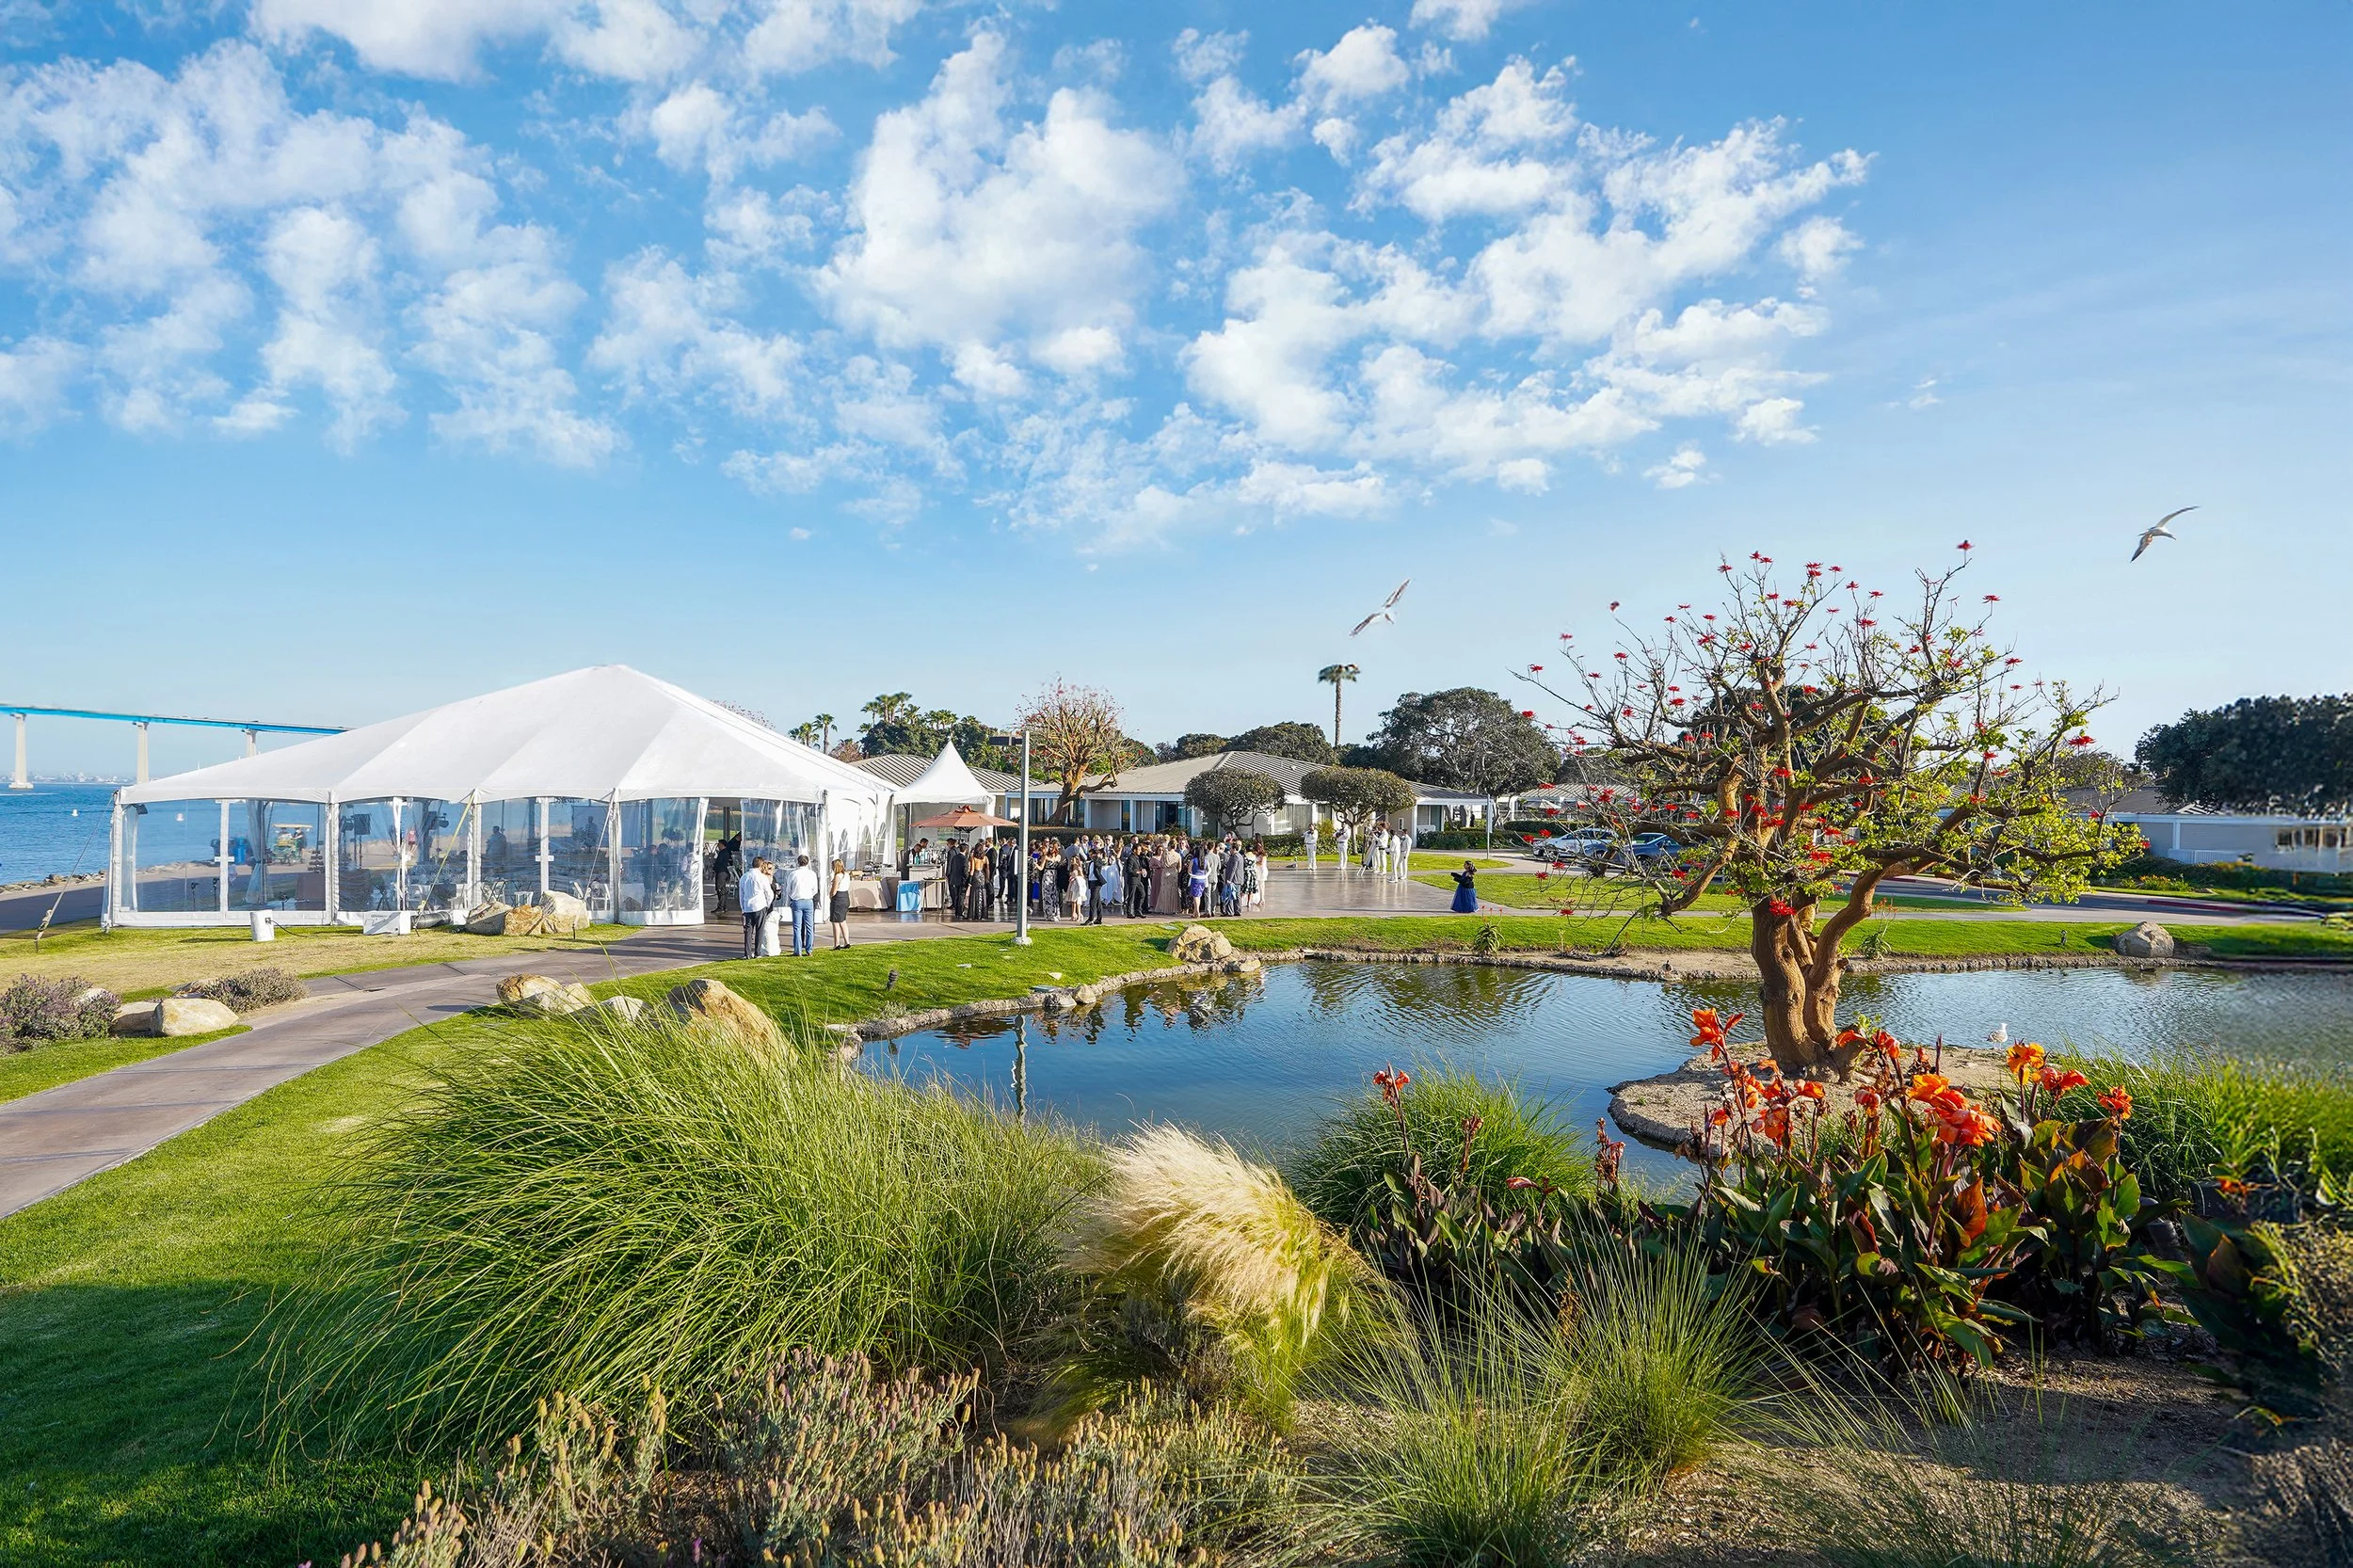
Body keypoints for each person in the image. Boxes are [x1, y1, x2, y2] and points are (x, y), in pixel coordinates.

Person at [738, 856, 775, 959]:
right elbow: (769, 893)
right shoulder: (762, 877)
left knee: (748, 931)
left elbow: (741, 894)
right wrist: (767, 905)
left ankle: (748, 953)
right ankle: (757, 952)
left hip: (748, 907)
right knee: (759, 930)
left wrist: (743, 908)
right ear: (761, 865)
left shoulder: (744, 877)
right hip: (760, 905)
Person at [786, 854, 820, 956]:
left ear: (798, 862)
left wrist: (793, 896)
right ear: (808, 863)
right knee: (809, 926)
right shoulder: (812, 874)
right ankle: (809, 950)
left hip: (797, 900)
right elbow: (815, 889)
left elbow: (788, 889)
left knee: (797, 927)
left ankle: (798, 950)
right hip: (808, 900)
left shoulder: (793, 874)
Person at [828, 857, 854, 949]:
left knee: (835, 922)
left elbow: (834, 891)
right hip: (845, 897)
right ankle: (847, 942)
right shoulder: (846, 875)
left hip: (838, 899)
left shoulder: (837, 876)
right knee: (843, 921)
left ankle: (836, 943)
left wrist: (830, 895)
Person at [944, 838, 970, 921]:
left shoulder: (955, 857)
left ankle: (957, 912)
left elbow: (951, 867)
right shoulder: (965, 859)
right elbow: (965, 871)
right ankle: (960, 912)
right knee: (961, 897)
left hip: (955, 879)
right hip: (962, 880)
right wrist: (967, 879)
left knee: (957, 896)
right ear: (966, 850)